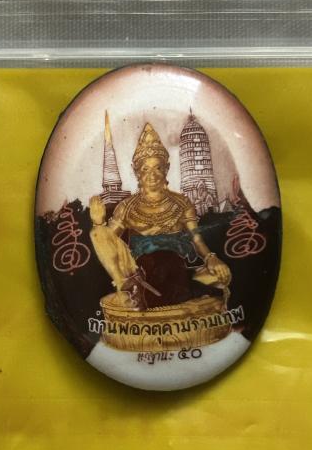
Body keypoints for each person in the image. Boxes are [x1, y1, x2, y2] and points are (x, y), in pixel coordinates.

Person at [89, 122, 230, 310]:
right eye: (145, 169)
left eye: (158, 168)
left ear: (167, 168)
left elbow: (196, 239)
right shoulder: (127, 207)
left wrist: (211, 258)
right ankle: (128, 288)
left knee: (221, 276)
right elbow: (109, 241)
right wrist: (98, 224)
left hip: (178, 269)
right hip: (140, 272)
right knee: (97, 234)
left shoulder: (181, 203)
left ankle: (162, 293)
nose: (152, 175)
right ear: (136, 172)